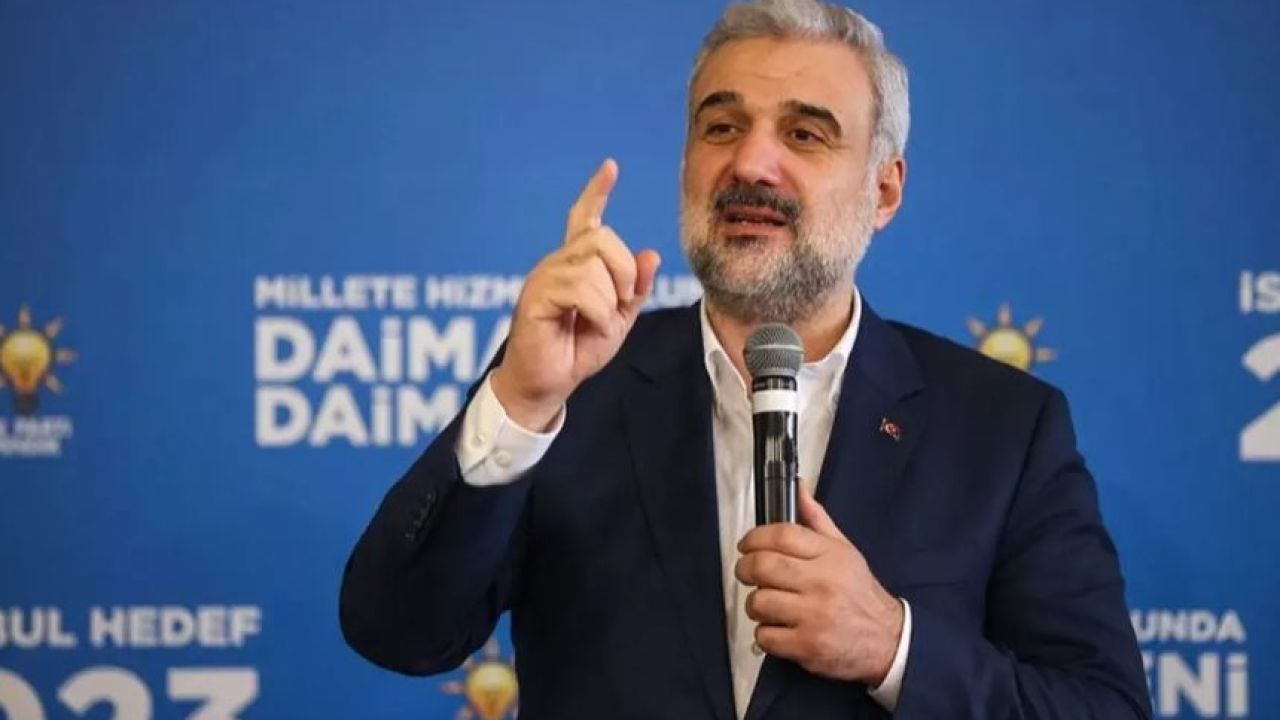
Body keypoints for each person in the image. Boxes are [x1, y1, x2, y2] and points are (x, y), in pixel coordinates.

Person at [340, 1, 1151, 717]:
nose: (751, 165)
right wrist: (520, 402)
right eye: (722, 127)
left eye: (805, 134)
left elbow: (1100, 706)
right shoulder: (572, 384)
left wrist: (892, 646)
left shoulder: (1003, 430)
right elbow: (397, 631)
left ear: (885, 191)